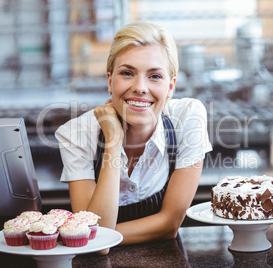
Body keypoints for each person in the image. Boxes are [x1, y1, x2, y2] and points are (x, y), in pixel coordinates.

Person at [55, 22, 212, 250]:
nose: (140, 87)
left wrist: (98, 237)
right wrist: (113, 141)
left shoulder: (188, 118)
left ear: (171, 87)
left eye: (155, 76)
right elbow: (95, 243)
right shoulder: (76, 134)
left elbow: (169, 225)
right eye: (127, 73)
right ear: (110, 81)